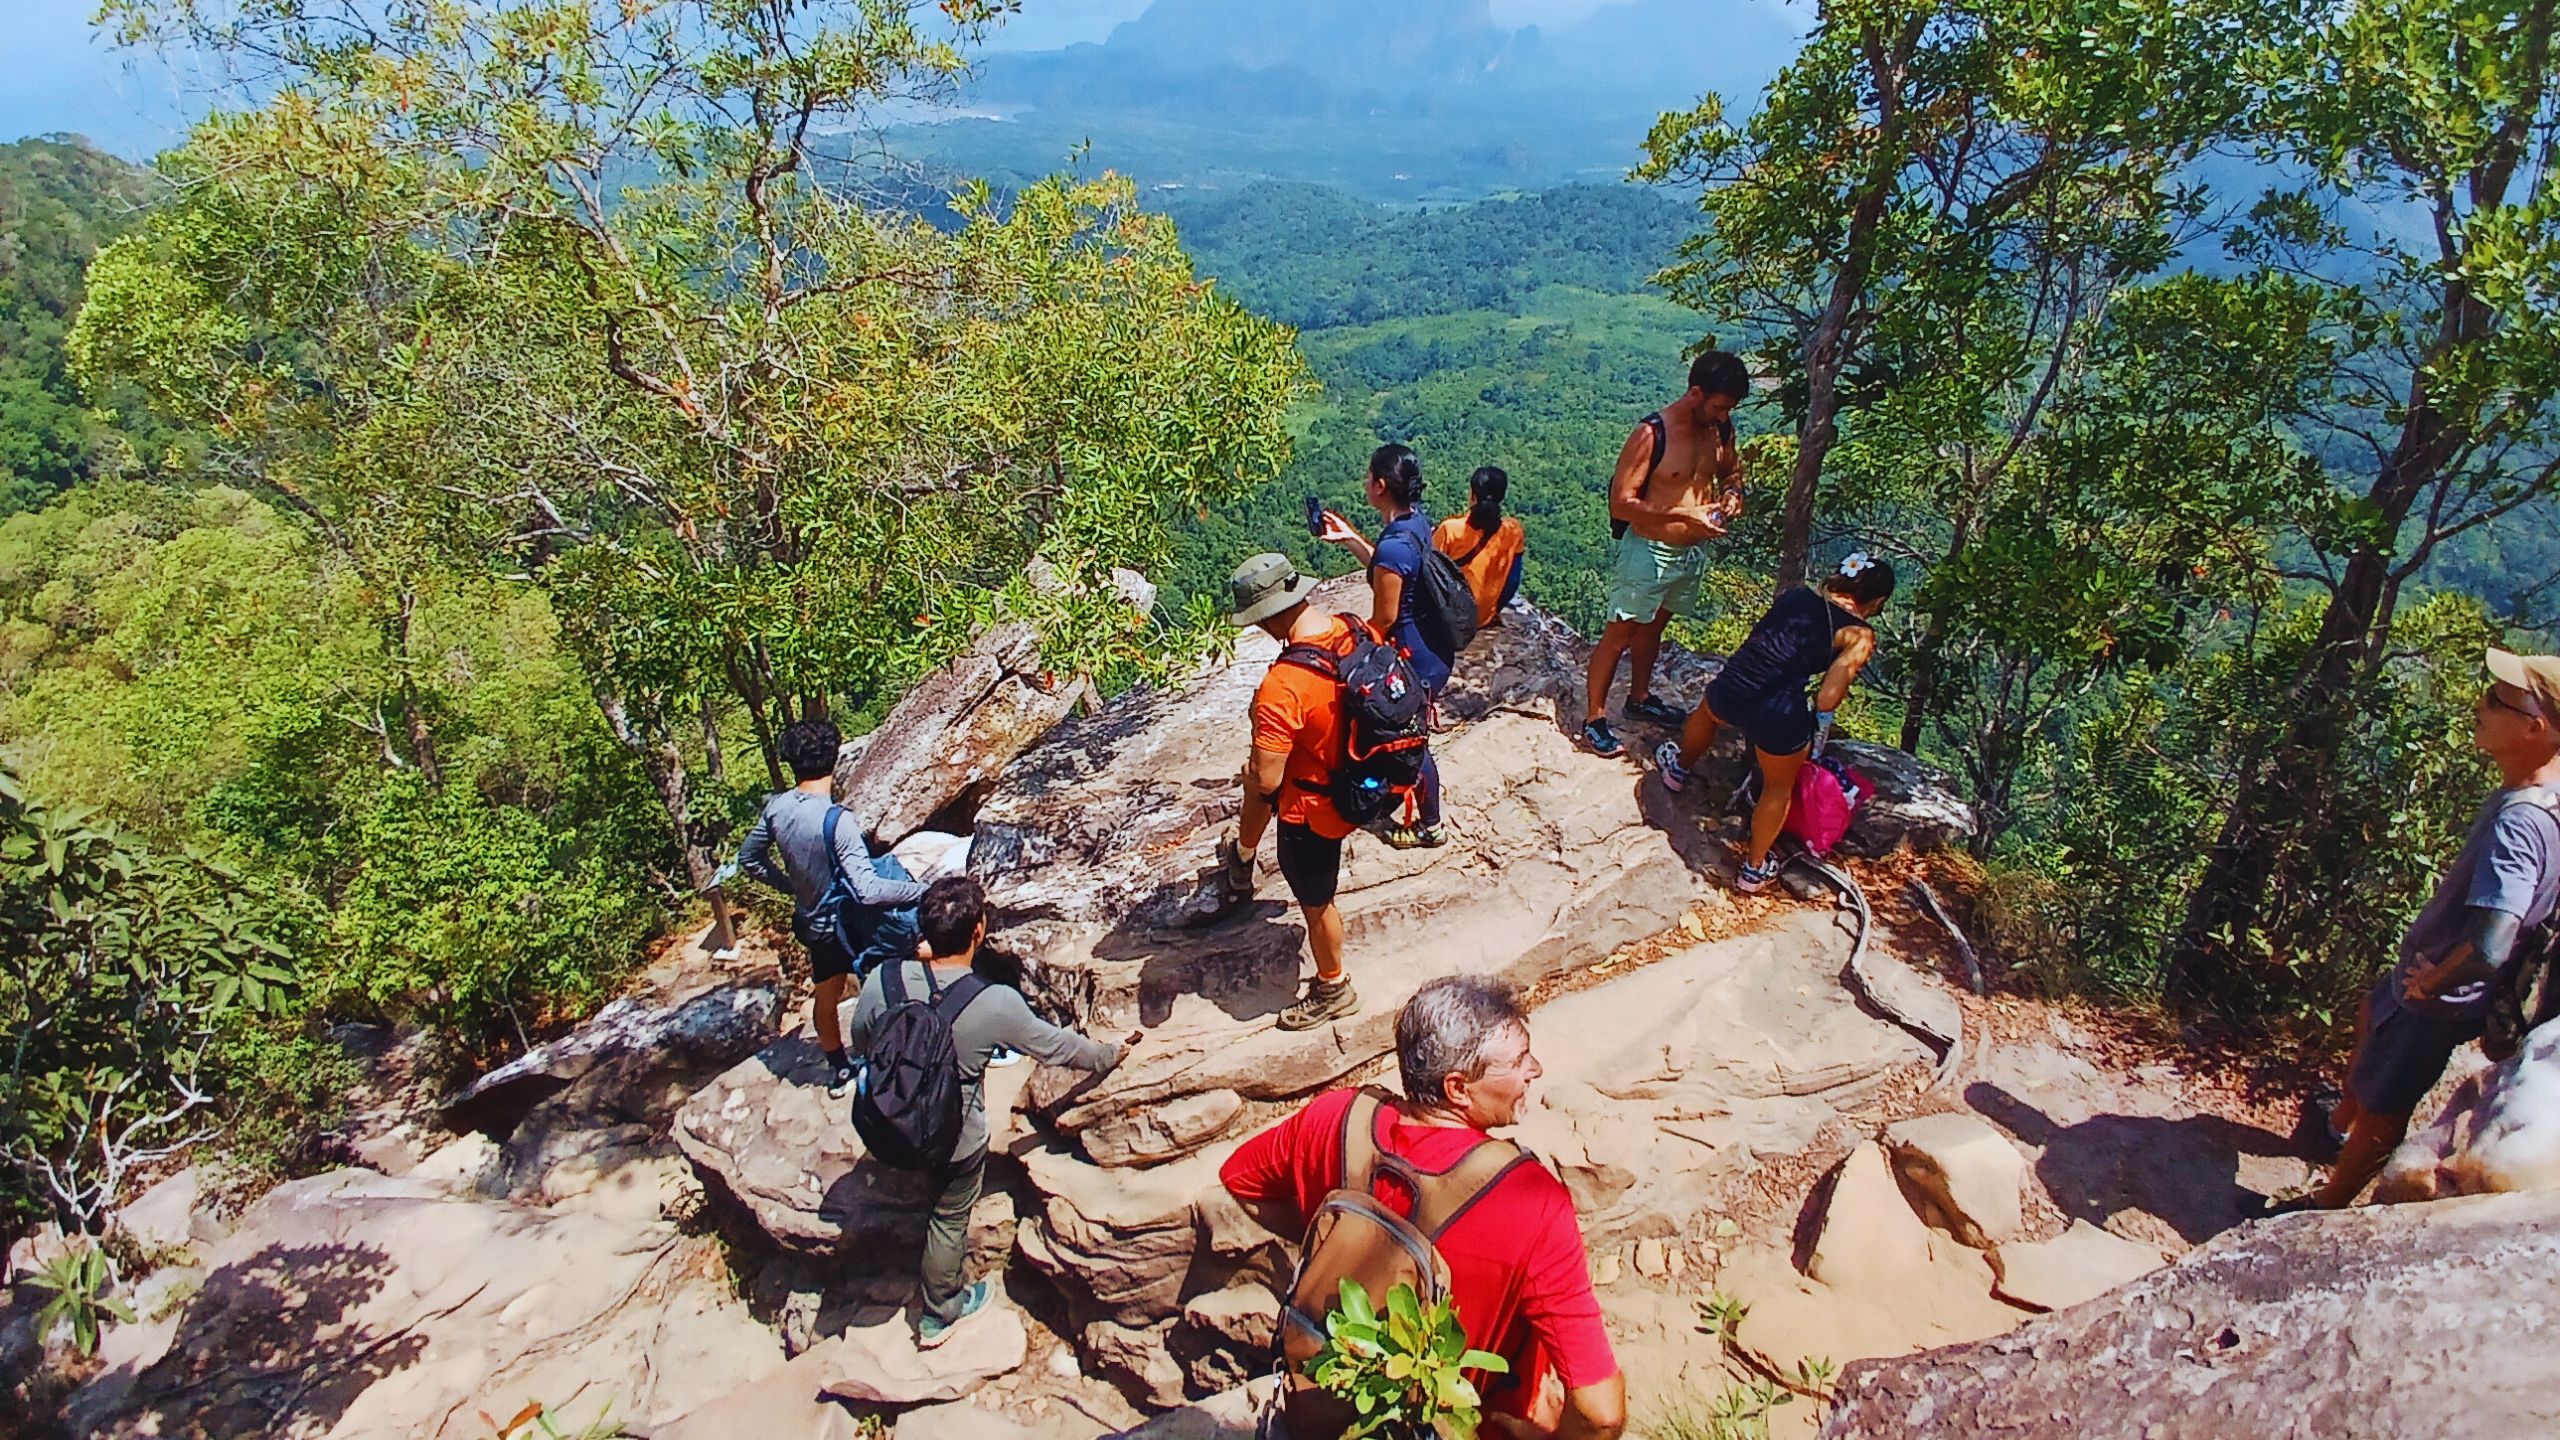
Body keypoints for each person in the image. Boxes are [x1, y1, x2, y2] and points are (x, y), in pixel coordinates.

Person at [1220, 976, 1626, 1440]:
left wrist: (1331, 1241)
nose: (1534, 1069)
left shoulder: (1335, 1118)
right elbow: (1601, 1413)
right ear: (1458, 1088)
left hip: (1326, 1406)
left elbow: (1242, 1179)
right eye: (1518, 1062)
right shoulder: (1530, 1200)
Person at [2288, 649, 2560, 1211]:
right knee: (2371, 1012)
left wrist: (2433, 981)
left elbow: (2490, 944)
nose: (2481, 704)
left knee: (2386, 1104)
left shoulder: (2519, 823)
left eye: (2497, 700)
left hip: (2441, 995)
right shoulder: (2546, 797)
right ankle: (2336, 1123)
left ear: (2534, 728)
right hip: (2451, 986)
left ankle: (2323, 1207)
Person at [845, 875, 1127, 1345]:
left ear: (923, 929)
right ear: (978, 931)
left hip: (885, 1120)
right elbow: (1055, 1047)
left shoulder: (884, 979)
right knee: (948, 1216)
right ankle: (940, 1313)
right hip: (953, 1138)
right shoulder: (994, 1002)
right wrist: (1106, 1055)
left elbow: (861, 1040)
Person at [1654, 553, 1896, 893]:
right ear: (1877, 600)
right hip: (1778, 713)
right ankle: (1753, 870)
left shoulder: (1797, 596)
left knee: (1706, 713)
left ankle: (1678, 770)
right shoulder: (1859, 635)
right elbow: (1827, 698)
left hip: (1733, 687)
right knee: (1778, 787)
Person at [735, 718, 927, 1096]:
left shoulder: (777, 808)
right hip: (851, 924)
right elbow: (867, 890)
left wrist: (789, 885)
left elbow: (749, 858)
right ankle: (901, 1060)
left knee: (826, 994)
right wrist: (922, 891)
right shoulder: (836, 820)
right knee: (896, 979)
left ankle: (840, 1070)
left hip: (813, 923)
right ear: (835, 758)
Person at [1218, 553, 1368, 1031]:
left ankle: (1333, 987)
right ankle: (1241, 858)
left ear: (1268, 616)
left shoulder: (1282, 686)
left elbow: (1266, 781)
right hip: (1362, 780)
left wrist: (1252, 773)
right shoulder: (1353, 629)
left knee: (1317, 902)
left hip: (1314, 809)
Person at [1582, 351, 1749, 758]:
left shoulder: (1720, 430)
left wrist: (1732, 495)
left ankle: (1639, 698)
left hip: (1689, 553)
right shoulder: (1652, 434)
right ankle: (1594, 719)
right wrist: (1682, 515)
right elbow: (1621, 503)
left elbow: (1731, 473)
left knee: (1654, 627)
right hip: (1647, 550)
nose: (1724, 414)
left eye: (1729, 408)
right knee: (1619, 632)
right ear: (1696, 393)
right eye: (1719, 406)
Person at [1318, 443, 1452, 849]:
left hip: (1414, 660)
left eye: (1368, 476)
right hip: (1432, 648)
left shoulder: (1396, 544)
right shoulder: (1415, 523)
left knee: (1411, 741)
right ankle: (1385, 792)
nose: (1365, 482)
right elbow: (1390, 570)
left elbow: (1384, 620)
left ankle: (1431, 826)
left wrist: (1345, 650)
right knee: (1399, 732)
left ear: (1379, 485)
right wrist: (1350, 539)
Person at [1434, 466, 1528, 631]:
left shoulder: (1450, 529)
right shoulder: (1513, 530)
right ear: (1502, 497)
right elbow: (1513, 581)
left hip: (1448, 620)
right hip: (1483, 618)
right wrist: (1494, 610)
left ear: (1472, 495)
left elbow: (1428, 576)